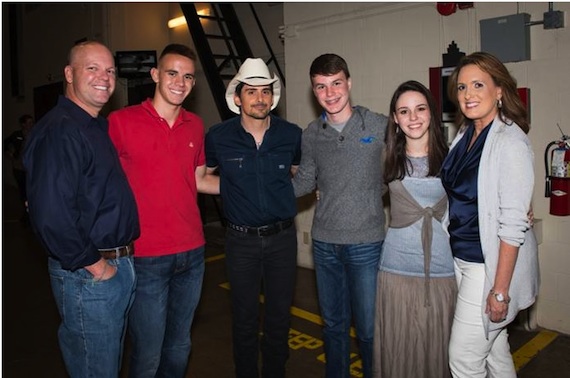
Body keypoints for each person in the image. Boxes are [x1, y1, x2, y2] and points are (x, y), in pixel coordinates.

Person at [22, 40, 139, 377]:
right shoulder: (60, 130)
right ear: (69, 74)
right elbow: (51, 215)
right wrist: (98, 268)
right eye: (93, 68)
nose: (104, 77)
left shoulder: (95, 126)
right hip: (89, 276)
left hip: (113, 267)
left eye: (110, 71)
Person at [108, 44, 219, 378]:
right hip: (145, 256)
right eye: (172, 73)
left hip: (193, 253)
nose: (180, 82)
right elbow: (97, 180)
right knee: (148, 353)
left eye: (187, 76)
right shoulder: (121, 121)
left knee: (180, 345)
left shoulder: (196, 126)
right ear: (156, 75)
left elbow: (199, 179)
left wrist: (257, 186)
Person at [440, 51, 539, 377]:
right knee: (495, 353)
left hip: (488, 266)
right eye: (461, 87)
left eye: (478, 85)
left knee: (464, 360)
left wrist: (499, 292)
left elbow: (512, 226)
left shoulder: (509, 142)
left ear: (499, 90)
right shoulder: (464, 136)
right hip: (462, 260)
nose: (468, 95)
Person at [292, 53, 388, 378]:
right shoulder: (312, 133)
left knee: (369, 329)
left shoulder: (377, 125)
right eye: (321, 87)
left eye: (336, 83)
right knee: (333, 327)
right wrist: (261, 192)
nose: (330, 93)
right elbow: (305, 180)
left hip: (366, 243)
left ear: (349, 82)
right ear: (313, 90)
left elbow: (404, 169)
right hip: (324, 245)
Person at [205, 58, 302, 378]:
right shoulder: (218, 137)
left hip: (282, 241)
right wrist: (234, 188)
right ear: (238, 98)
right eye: (251, 92)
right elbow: (200, 178)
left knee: (278, 320)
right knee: (244, 320)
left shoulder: (291, 134)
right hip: (240, 242)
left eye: (265, 91)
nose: (260, 98)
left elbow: (300, 175)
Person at [372, 80, 456, 378]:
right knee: (399, 352)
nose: (413, 117)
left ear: (431, 113)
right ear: (395, 118)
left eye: (420, 109)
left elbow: (478, 200)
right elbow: (360, 192)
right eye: (404, 111)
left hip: (441, 272)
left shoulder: (453, 158)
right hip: (395, 271)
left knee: (438, 352)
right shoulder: (386, 157)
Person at [4, 114, 34, 220]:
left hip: (31, 168)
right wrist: (10, 154)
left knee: (32, 191)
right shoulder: (17, 135)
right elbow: (5, 144)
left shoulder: (35, 134)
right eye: (29, 123)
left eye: (32, 122)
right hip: (19, 168)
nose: (31, 125)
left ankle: (32, 213)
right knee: (22, 191)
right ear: (23, 124)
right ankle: (26, 213)